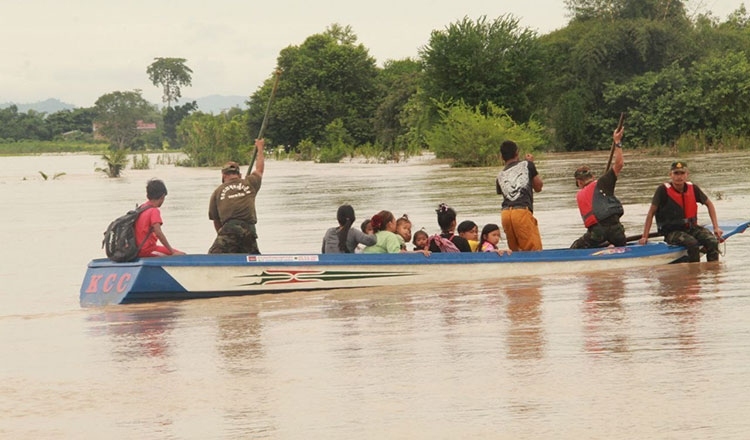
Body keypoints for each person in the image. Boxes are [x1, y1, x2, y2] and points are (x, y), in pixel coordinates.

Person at [638, 161, 723, 262]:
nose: (679, 177)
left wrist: (716, 227)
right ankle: (694, 273)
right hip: (672, 232)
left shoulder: (693, 188)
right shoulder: (662, 190)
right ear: (671, 175)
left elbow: (709, 204)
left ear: (687, 174)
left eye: (682, 173)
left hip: (691, 228)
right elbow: (651, 213)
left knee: (712, 241)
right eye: (676, 173)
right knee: (693, 244)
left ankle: (715, 273)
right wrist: (644, 236)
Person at [570, 127, 626, 249]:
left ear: (579, 182)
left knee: (575, 247)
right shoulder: (603, 182)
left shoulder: (582, 193)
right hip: (617, 232)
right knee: (619, 244)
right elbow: (619, 163)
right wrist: (617, 142)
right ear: (593, 176)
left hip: (598, 234)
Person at [208, 138, 265, 254]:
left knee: (213, 256)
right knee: (252, 257)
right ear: (239, 175)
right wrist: (260, 148)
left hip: (229, 229)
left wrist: (224, 235)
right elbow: (259, 169)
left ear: (223, 175)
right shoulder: (249, 183)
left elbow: (216, 220)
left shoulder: (217, 191)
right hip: (249, 230)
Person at [495, 140, 543, 251]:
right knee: (534, 250)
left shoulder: (500, 175)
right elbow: (538, 187)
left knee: (516, 251)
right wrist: (531, 165)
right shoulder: (527, 165)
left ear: (502, 157)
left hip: (506, 214)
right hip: (521, 212)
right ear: (517, 153)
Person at [135, 178, 185, 258]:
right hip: (147, 250)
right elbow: (158, 232)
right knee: (182, 256)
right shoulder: (154, 211)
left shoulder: (141, 208)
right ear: (162, 196)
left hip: (137, 249)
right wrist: (171, 251)